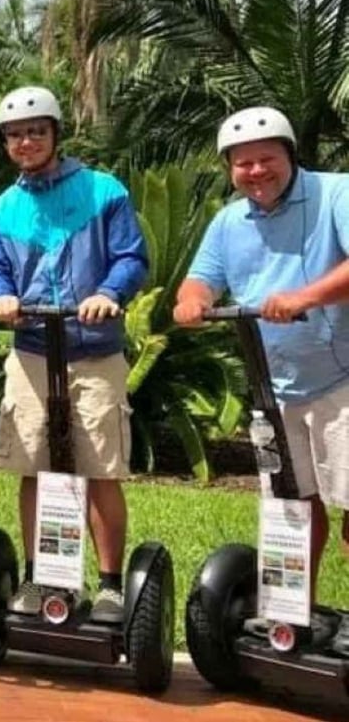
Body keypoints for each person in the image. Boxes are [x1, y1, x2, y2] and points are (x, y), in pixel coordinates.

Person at [173, 107, 349, 652]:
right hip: (273, 392)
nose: (255, 171)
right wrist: (194, 303)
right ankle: (289, 616)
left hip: (343, 383)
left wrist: (304, 296)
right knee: (289, 509)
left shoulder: (336, 194)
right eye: (243, 163)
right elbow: (198, 283)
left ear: (289, 155)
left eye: (265, 159)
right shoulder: (229, 222)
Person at [0, 86, 147, 623]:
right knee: (35, 465)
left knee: (100, 469)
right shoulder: (1, 210)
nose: (25, 141)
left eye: (35, 131)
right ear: (5, 143)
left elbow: (130, 257)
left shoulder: (103, 191)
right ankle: (39, 577)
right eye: (15, 135)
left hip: (93, 351)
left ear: (55, 133)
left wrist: (108, 294)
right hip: (30, 351)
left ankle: (111, 585)